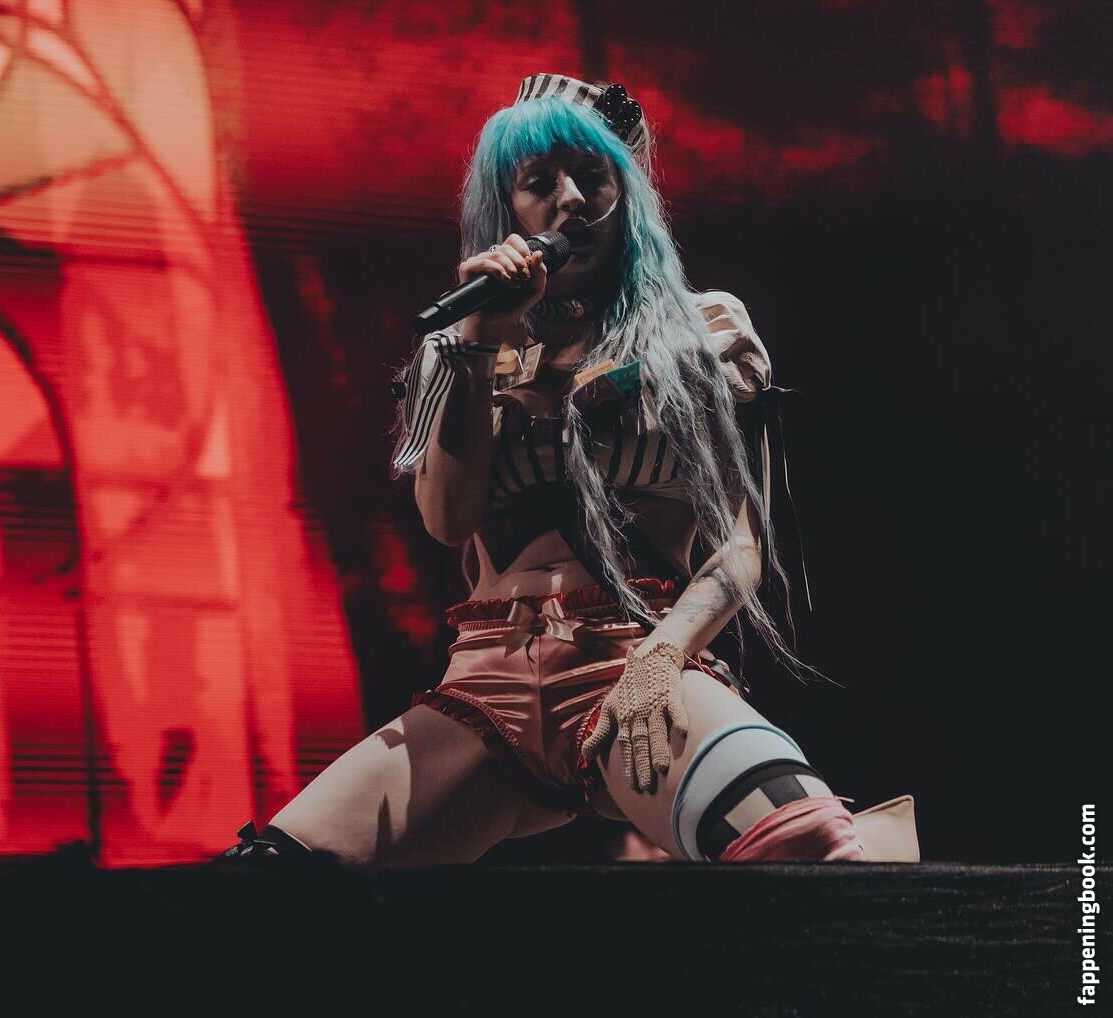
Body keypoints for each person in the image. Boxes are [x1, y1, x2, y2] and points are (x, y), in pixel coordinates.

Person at [219, 74, 918, 866]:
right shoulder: (458, 349)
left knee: (804, 847)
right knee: (270, 882)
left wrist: (662, 658)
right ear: (508, 205)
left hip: (633, 656)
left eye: (592, 176)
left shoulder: (701, 334)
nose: (571, 200)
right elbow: (447, 519)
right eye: (540, 182)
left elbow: (739, 546)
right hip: (485, 687)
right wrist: (480, 340)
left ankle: (878, 866)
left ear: (628, 193)